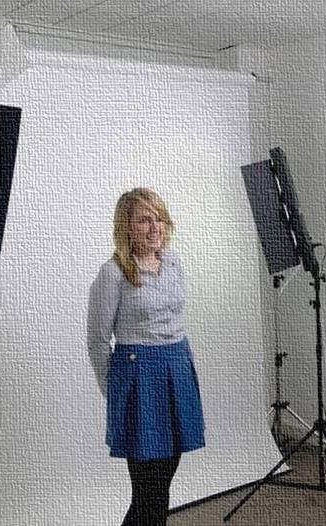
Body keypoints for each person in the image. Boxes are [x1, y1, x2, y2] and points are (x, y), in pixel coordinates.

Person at [87, 188, 205, 525]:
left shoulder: (173, 263)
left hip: (177, 370)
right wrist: (116, 392)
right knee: (148, 491)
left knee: (163, 481)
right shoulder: (113, 273)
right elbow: (97, 341)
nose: (155, 227)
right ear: (126, 227)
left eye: (159, 219)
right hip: (139, 379)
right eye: (144, 220)